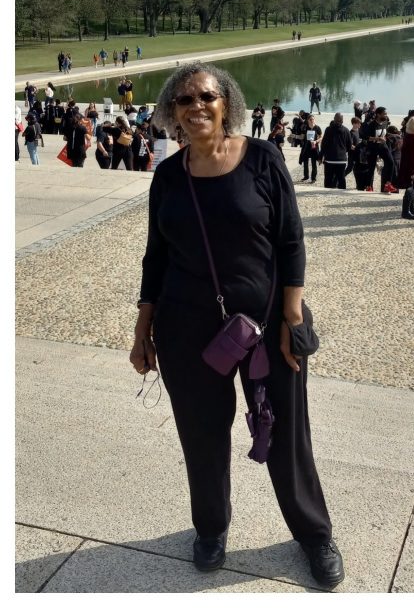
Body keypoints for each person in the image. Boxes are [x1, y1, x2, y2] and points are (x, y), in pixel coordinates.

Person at [131, 62, 343, 586]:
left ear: (226, 102)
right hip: (185, 327)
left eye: (205, 96)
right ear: (172, 113)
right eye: (184, 100)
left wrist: (292, 320)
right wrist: (143, 331)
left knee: (288, 435)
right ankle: (210, 529)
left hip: (269, 324)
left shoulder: (263, 159)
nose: (195, 106)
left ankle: (314, 535)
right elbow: (155, 256)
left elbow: (291, 241)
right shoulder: (168, 176)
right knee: (201, 435)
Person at [320, 112, 352, 189]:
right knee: (341, 179)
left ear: (334, 120)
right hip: (341, 159)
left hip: (330, 159)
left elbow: (324, 145)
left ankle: (327, 194)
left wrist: (320, 156)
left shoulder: (328, 129)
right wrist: (343, 152)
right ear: (342, 121)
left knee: (328, 179)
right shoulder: (346, 130)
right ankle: (341, 194)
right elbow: (349, 145)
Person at [299, 114, 322, 184]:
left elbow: (321, 137)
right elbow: (302, 137)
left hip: (314, 147)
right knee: (305, 162)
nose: (312, 121)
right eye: (310, 119)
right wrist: (294, 136)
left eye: (313, 119)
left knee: (313, 163)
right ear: (308, 120)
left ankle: (313, 178)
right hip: (306, 147)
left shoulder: (317, 128)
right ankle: (306, 176)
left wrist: (316, 141)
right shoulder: (305, 128)